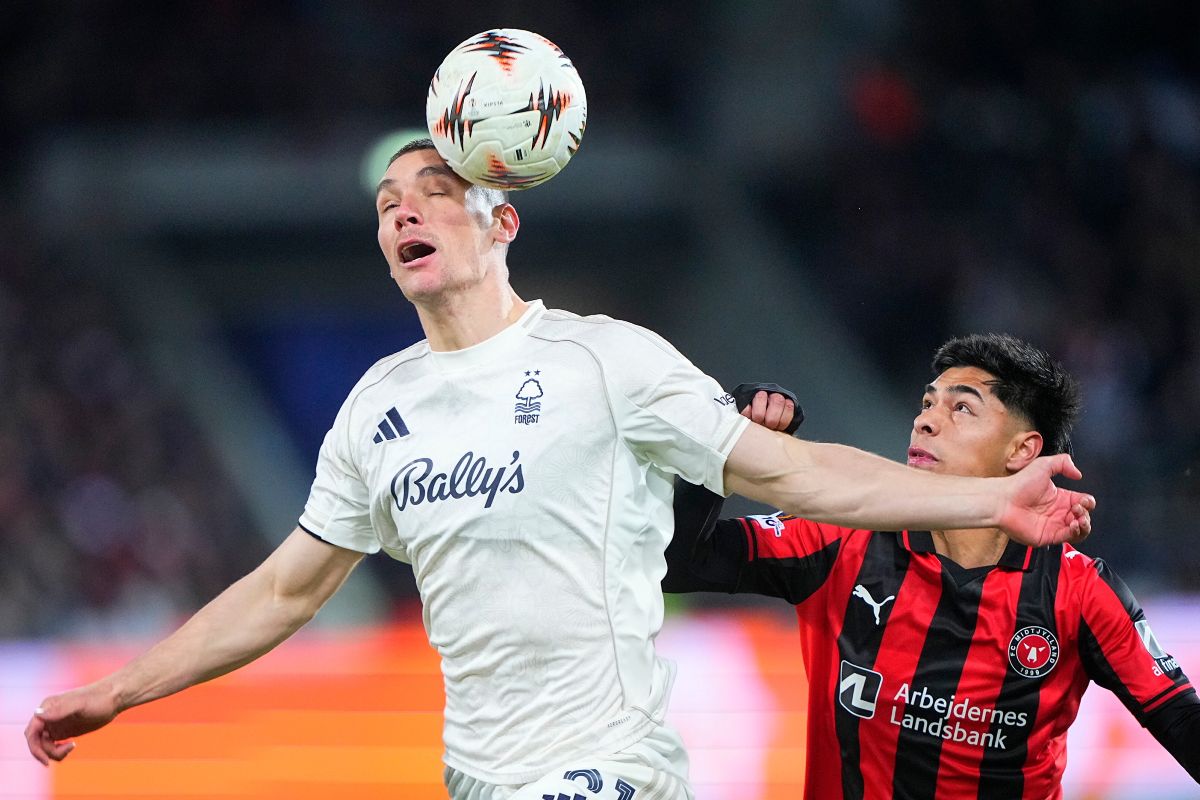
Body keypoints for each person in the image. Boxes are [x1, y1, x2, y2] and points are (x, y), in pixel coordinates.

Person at [24, 141, 1094, 800]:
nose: (403, 209)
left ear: (503, 221)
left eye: (435, 190)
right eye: (388, 200)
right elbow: (286, 588)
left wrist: (991, 496)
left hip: (609, 768)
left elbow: (804, 473)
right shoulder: (378, 408)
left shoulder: (607, 359)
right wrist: (120, 689)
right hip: (479, 773)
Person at [664, 333, 1199, 799]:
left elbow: (1178, 718)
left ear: (1022, 450)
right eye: (926, 403)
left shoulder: (1078, 590)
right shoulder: (841, 537)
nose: (925, 420)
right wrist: (723, 443)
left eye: (960, 408)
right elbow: (679, 563)